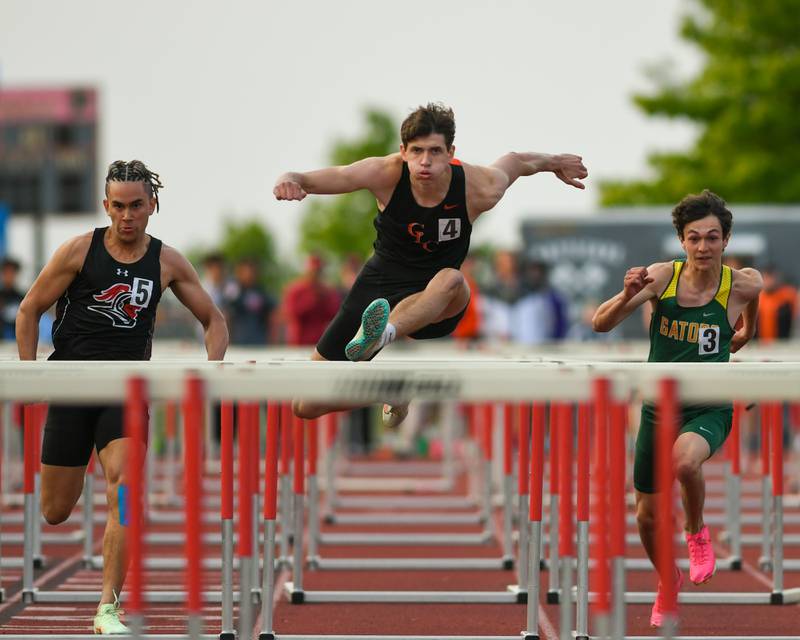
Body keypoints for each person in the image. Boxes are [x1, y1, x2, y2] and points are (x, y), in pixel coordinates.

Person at [15, 160, 229, 635]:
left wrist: (214, 371)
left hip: (127, 392)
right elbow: (29, 309)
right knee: (54, 511)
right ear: (105, 205)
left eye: (136, 206)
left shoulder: (168, 261)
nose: (127, 216)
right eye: (118, 206)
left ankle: (107, 607)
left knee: (126, 490)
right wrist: (28, 376)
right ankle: (84, 470)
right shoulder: (78, 250)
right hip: (73, 385)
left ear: (151, 206)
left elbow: (213, 319)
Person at [274, 102, 587, 424]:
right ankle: (391, 389)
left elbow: (518, 161)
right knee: (306, 403)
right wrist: (290, 178)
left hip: (438, 299)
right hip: (377, 290)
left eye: (436, 151)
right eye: (417, 151)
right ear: (403, 151)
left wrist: (554, 162)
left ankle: (382, 334)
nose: (425, 162)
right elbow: (326, 177)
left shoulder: (480, 186)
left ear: (451, 151)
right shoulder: (384, 173)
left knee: (452, 277)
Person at [591, 189, 763, 628]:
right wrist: (627, 293)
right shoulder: (661, 277)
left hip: (710, 405)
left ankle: (697, 532)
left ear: (725, 240)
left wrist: (741, 336)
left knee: (685, 462)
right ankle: (668, 583)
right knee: (646, 515)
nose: (703, 247)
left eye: (711, 238)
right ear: (681, 241)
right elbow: (601, 323)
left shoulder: (743, 283)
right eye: (694, 238)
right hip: (658, 407)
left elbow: (751, 319)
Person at [282, 254, 341, 346]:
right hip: (298, 342)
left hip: (320, 342)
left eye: (318, 271)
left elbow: (335, 314)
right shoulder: (295, 290)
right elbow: (291, 313)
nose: (316, 274)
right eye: (313, 271)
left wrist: (325, 299)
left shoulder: (327, 291)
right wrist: (312, 299)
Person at [225, 257, 276, 346]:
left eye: (252, 271)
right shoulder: (233, 291)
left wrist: (272, 340)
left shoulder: (262, 291)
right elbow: (227, 316)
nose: (249, 274)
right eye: (245, 271)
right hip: (238, 342)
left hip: (259, 342)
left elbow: (271, 316)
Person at [0, 257, 24, 340]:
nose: (9, 276)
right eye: (6, 272)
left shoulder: (23, 297)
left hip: (17, 341)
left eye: (12, 272)